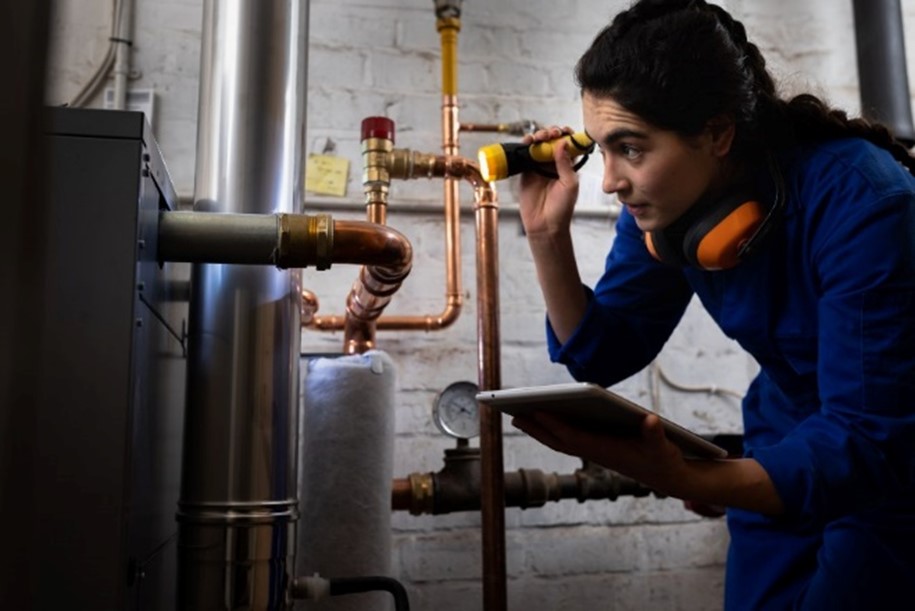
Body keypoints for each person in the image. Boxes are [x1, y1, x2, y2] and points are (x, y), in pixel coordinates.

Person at [511, 0, 915, 609]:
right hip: (782, 441)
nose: (610, 180)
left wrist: (690, 476)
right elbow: (603, 350)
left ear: (718, 133)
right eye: (602, 148)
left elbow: (865, 442)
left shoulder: (864, 201)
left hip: (892, 471)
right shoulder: (663, 213)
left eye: (632, 147)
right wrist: (546, 237)